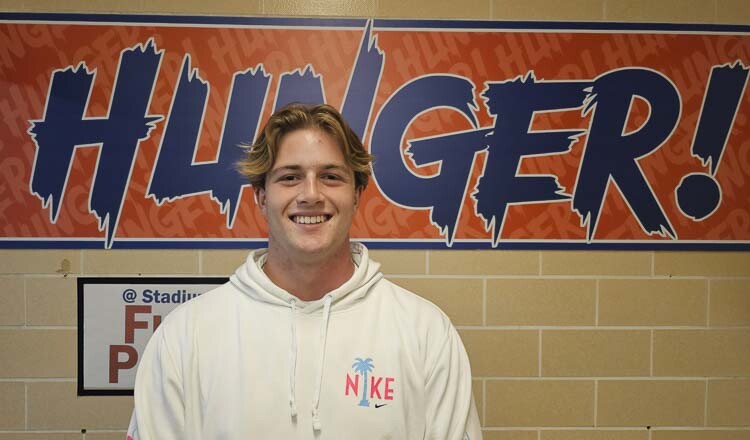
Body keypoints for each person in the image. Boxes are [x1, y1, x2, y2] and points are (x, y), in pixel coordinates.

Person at [126, 103, 482, 439]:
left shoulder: (425, 333)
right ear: (262, 196)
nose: (311, 194)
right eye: (290, 177)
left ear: (357, 194)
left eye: (330, 176)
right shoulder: (185, 337)